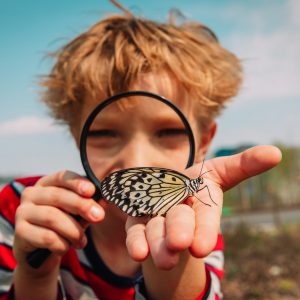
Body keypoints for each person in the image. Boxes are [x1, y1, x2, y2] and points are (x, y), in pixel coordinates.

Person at [0, 2, 281, 300]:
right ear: (76, 136)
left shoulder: (197, 226)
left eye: (168, 132)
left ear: (204, 141)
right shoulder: (21, 208)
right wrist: (35, 274)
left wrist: (174, 264)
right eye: (104, 133)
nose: (136, 161)